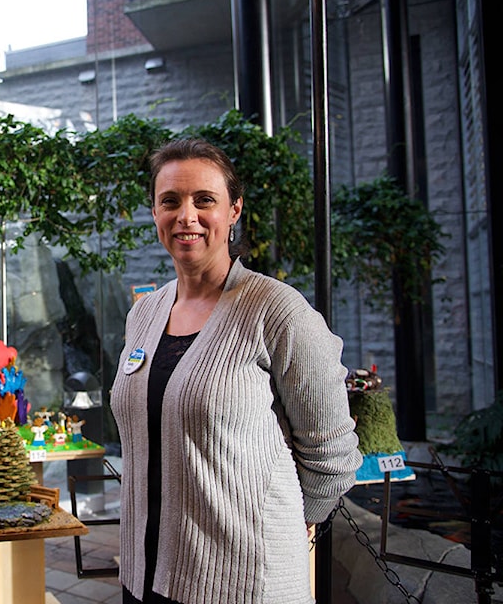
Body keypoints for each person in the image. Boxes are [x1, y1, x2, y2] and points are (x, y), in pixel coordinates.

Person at [110, 138, 361, 604]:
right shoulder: (143, 314)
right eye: (171, 201)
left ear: (234, 210)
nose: (186, 215)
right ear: (155, 213)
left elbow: (333, 454)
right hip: (145, 575)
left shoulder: (277, 311)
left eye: (204, 200)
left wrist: (279, 530)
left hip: (240, 582)